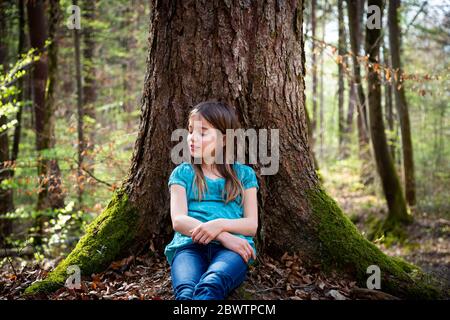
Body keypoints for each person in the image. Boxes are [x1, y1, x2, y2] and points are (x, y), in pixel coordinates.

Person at [165, 100, 259, 300]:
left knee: (212, 285)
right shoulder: (182, 174)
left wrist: (218, 225)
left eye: (202, 132)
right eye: (190, 131)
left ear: (223, 139)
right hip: (188, 246)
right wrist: (222, 235)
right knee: (186, 293)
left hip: (233, 250)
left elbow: (251, 225)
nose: (191, 138)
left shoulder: (244, 175)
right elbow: (179, 220)